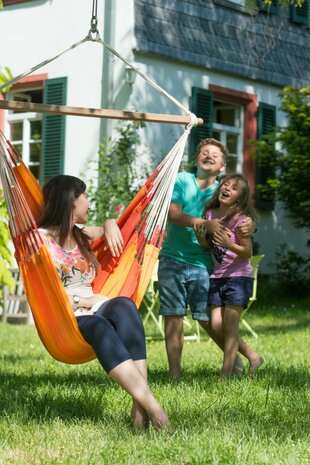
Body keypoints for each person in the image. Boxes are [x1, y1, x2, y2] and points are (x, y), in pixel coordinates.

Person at [37, 174, 169, 430]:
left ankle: (138, 409)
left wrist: (110, 223)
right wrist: (79, 299)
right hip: (65, 314)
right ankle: (155, 410)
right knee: (100, 325)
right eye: (84, 197)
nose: (89, 202)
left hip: (93, 303)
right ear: (70, 202)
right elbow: (41, 287)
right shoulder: (40, 240)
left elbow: (106, 230)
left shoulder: (80, 233)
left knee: (125, 305)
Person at [158, 138, 254, 379]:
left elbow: (240, 214)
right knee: (173, 315)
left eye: (215, 154)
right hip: (172, 257)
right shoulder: (182, 180)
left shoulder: (221, 191)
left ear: (222, 166)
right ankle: (174, 375)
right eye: (205, 152)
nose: (209, 156)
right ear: (197, 158)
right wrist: (203, 223)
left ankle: (237, 361)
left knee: (206, 319)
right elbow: (173, 213)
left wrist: (251, 224)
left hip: (204, 263)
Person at [197, 173, 264, 379]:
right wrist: (201, 239)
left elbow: (247, 252)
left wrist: (229, 244)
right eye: (225, 184)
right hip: (217, 277)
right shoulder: (210, 214)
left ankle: (226, 373)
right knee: (216, 324)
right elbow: (211, 246)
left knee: (230, 326)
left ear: (240, 198)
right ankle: (253, 356)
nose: (227, 188)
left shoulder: (242, 220)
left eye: (234, 188)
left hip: (238, 276)